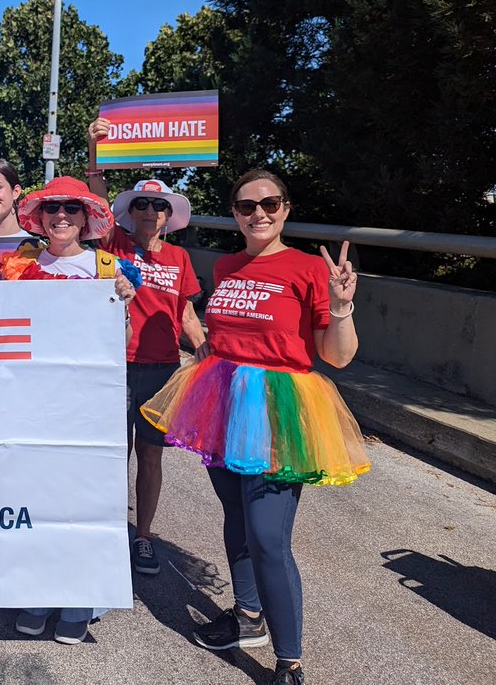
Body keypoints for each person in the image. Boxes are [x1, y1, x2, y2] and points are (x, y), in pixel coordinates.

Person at [142, 169, 369, 685]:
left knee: (268, 536)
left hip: (278, 407)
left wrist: (340, 307)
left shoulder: (309, 268)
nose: (258, 214)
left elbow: (338, 356)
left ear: (285, 208)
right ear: (235, 214)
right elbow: (221, 333)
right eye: (247, 206)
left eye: (269, 204)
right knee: (236, 515)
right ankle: (247, 616)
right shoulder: (226, 266)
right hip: (221, 398)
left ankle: (290, 662)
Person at [0, 176, 136, 645]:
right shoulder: (17, 264)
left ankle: (78, 600)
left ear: (85, 218)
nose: (60, 217)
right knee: (34, 498)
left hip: (87, 407)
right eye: (52, 208)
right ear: (40, 216)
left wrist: (122, 305)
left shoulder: (107, 267)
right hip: (30, 401)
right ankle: (37, 593)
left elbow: (122, 342)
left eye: (71, 209)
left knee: (82, 501)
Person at [87, 120, 207, 575]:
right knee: (113, 454)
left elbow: (186, 314)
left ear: (168, 214)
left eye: (159, 205)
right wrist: (94, 149)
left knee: (151, 456)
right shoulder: (112, 243)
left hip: (161, 369)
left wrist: (205, 352)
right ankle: (106, 531)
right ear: (131, 211)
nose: (151, 211)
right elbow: (97, 198)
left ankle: (143, 536)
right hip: (115, 365)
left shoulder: (180, 258)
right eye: (142, 204)